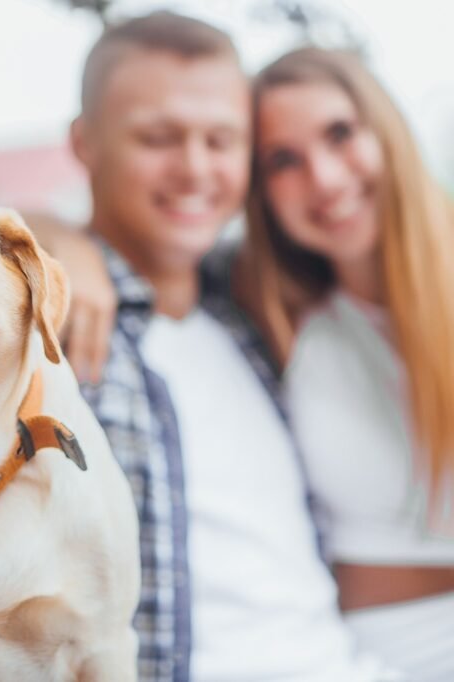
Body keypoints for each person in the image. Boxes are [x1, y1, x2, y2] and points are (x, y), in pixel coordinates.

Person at [0, 13, 383, 681]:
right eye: (157, 137)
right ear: (86, 144)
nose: (195, 168)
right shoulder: (55, 315)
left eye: (222, 139)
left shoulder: (259, 306)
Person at [242, 47, 454, 682]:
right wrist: (68, 245)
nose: (327, 179)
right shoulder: (267, 310)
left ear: (382, 129)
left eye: (340, 134)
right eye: (284, 161)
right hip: (365, 656)